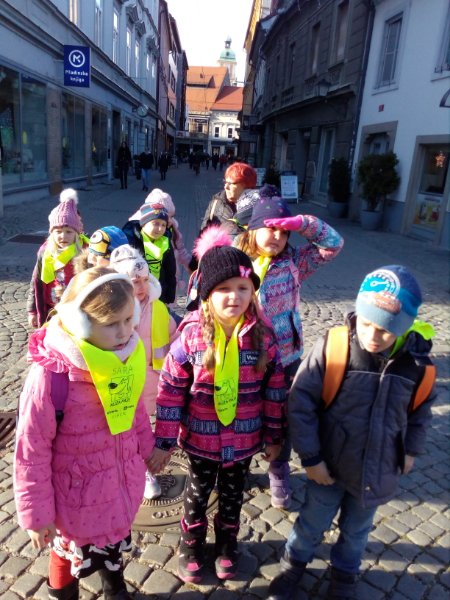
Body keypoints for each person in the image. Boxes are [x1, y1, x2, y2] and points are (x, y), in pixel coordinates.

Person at [267, 265, 437, 600]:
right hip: (328, 465)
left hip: (377, 470)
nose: (373, 335)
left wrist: (411, 451)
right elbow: (300, 401)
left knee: (357, 531)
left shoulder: (418, 366)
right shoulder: (336, 347)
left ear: (405, 327)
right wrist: (311, 458)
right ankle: (293, 565)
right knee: (311, 523)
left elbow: (421, 413)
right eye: (367, 323)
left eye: (385, 330)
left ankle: (344, 576)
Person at [147, 226, 286, 583]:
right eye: (223, 289)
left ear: (253, 291)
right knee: (197, 496)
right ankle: (191, 544)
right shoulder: (190, 337)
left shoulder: (264, 338)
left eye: (242, 287)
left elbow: (274, 392)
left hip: (244, 440)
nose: (234, 296)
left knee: (232, 498)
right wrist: (163, 443)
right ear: (207, 294)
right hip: (201, 440)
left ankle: (227, 543)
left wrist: (274, 437)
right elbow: (170, 392)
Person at [14, 267, 156, 600]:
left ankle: (114, 587)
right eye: (111, 323)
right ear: (79, 322)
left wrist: (146, 448)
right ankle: (63, 594)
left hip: (117, 484)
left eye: (129, 319)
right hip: (73, 498)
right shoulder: (52, 377)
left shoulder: (124, 355)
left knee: (112, 541)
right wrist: (36, 515)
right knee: (65, 556)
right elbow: (31, 450)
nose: (124, 332)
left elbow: (133, 408)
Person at [236, 192, 344, 509]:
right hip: (244, 357)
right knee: (244, 414)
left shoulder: (294, 262)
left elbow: (333, 244)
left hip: (285, 358)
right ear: (253, 228)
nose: (278, 236)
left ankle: (279, 468)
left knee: (281, 417)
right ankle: (239, 465)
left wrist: (302, 223)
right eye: (271, 228)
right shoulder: (235, 261)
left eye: (284, 232)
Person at [110, 245, 177, 500]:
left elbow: (173, 337)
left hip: (153, 380)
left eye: (144, 280)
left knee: (146, 430)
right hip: (125, 383)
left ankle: (146, 468)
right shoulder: (114, 312)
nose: (140, 287)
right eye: (133, 281)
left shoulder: (158, 308)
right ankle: (135, 469)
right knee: (126, 431)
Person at [27, 188, 87, 328]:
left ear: (77, 233)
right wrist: (32, 311)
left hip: (77, 309)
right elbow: (36, 281)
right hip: (51, 309)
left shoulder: (84, 251)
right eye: (58, 232)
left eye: (68, 232)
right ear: (51, 233)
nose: (63, 236)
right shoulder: (46, 252)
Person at [123, 203, 176, 305]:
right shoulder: (132, 241)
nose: (160, 228)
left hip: (158, 291)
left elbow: (170, 270)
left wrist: (170, 293)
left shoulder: (165, 242)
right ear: (144, 224)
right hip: (137, 292)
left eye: (163, 225)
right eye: (156, 224)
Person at [200, 162, 257, 238]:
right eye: (225, 182)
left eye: (230, 183)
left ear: (246, 185)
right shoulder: (216, 203)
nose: (226, 187)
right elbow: (203, 234)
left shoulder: (259, 208)